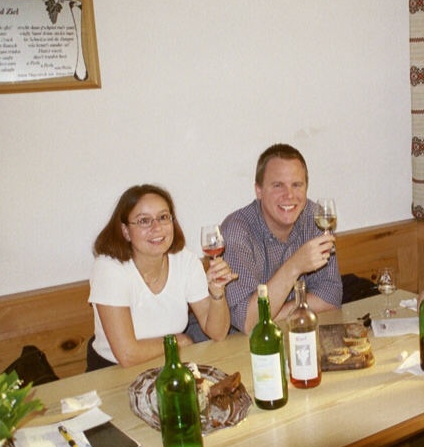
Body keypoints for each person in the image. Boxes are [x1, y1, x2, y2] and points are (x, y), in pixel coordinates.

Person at [87, 184, 235, 371]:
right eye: (144, 221)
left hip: (170, 365)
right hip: (113, 371)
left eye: (163, 217)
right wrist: (179, 341)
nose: (156, 228)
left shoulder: (185, 260)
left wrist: (217, 292)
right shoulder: (109, 268)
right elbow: (127, 354)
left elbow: (218, 333)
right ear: (125, 230)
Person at [216, 143, 342, 335]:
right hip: (245, 345)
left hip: (297, 333)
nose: (289, 195)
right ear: (259, 190)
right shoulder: (236, 231)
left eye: (296, 185)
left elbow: (331, 297)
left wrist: (275, 314)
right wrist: (295, 266)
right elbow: (249, 323)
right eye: (278, 185)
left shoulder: (316, 218)